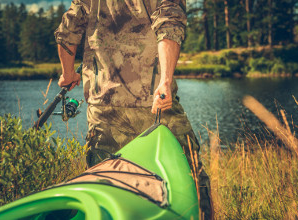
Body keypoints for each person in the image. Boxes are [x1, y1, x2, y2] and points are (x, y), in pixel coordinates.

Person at [54, 0, 212, 219]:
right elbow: (169, 23)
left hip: (102, 106)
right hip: (154, 105)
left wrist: (68, 73)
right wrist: (165, 81)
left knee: (106, 187)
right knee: (191, 177)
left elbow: (68, 30)